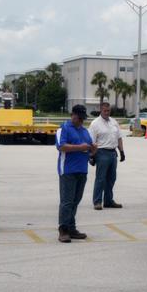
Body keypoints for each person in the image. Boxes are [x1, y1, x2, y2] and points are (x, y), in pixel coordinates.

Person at [55, 104, 96, 243]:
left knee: (75, 201)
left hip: (82, 170)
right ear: (72, 115)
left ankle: (71, 228)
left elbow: (89, 150)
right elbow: (61, 146)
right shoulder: (64, 128)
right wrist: (80, 147)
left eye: (83, 119)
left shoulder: (85, 131)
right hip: (68, 171)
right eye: (79, 118)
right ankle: (63, 229)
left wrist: (93, 150)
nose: (81, 121)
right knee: (67, 201)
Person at [89, 101, 125, 210]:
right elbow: (91, 142)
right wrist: (92, 156)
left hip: (113, 153)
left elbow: (119, 138)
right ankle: (97, 202)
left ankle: (108, 201)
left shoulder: (114, 122)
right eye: (104, 110)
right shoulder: (95, 124)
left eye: (108, 110)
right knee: (101, 179)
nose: (107, 112)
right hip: (101, 152)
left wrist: (122, 152)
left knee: (111, 178)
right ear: (100, 110)